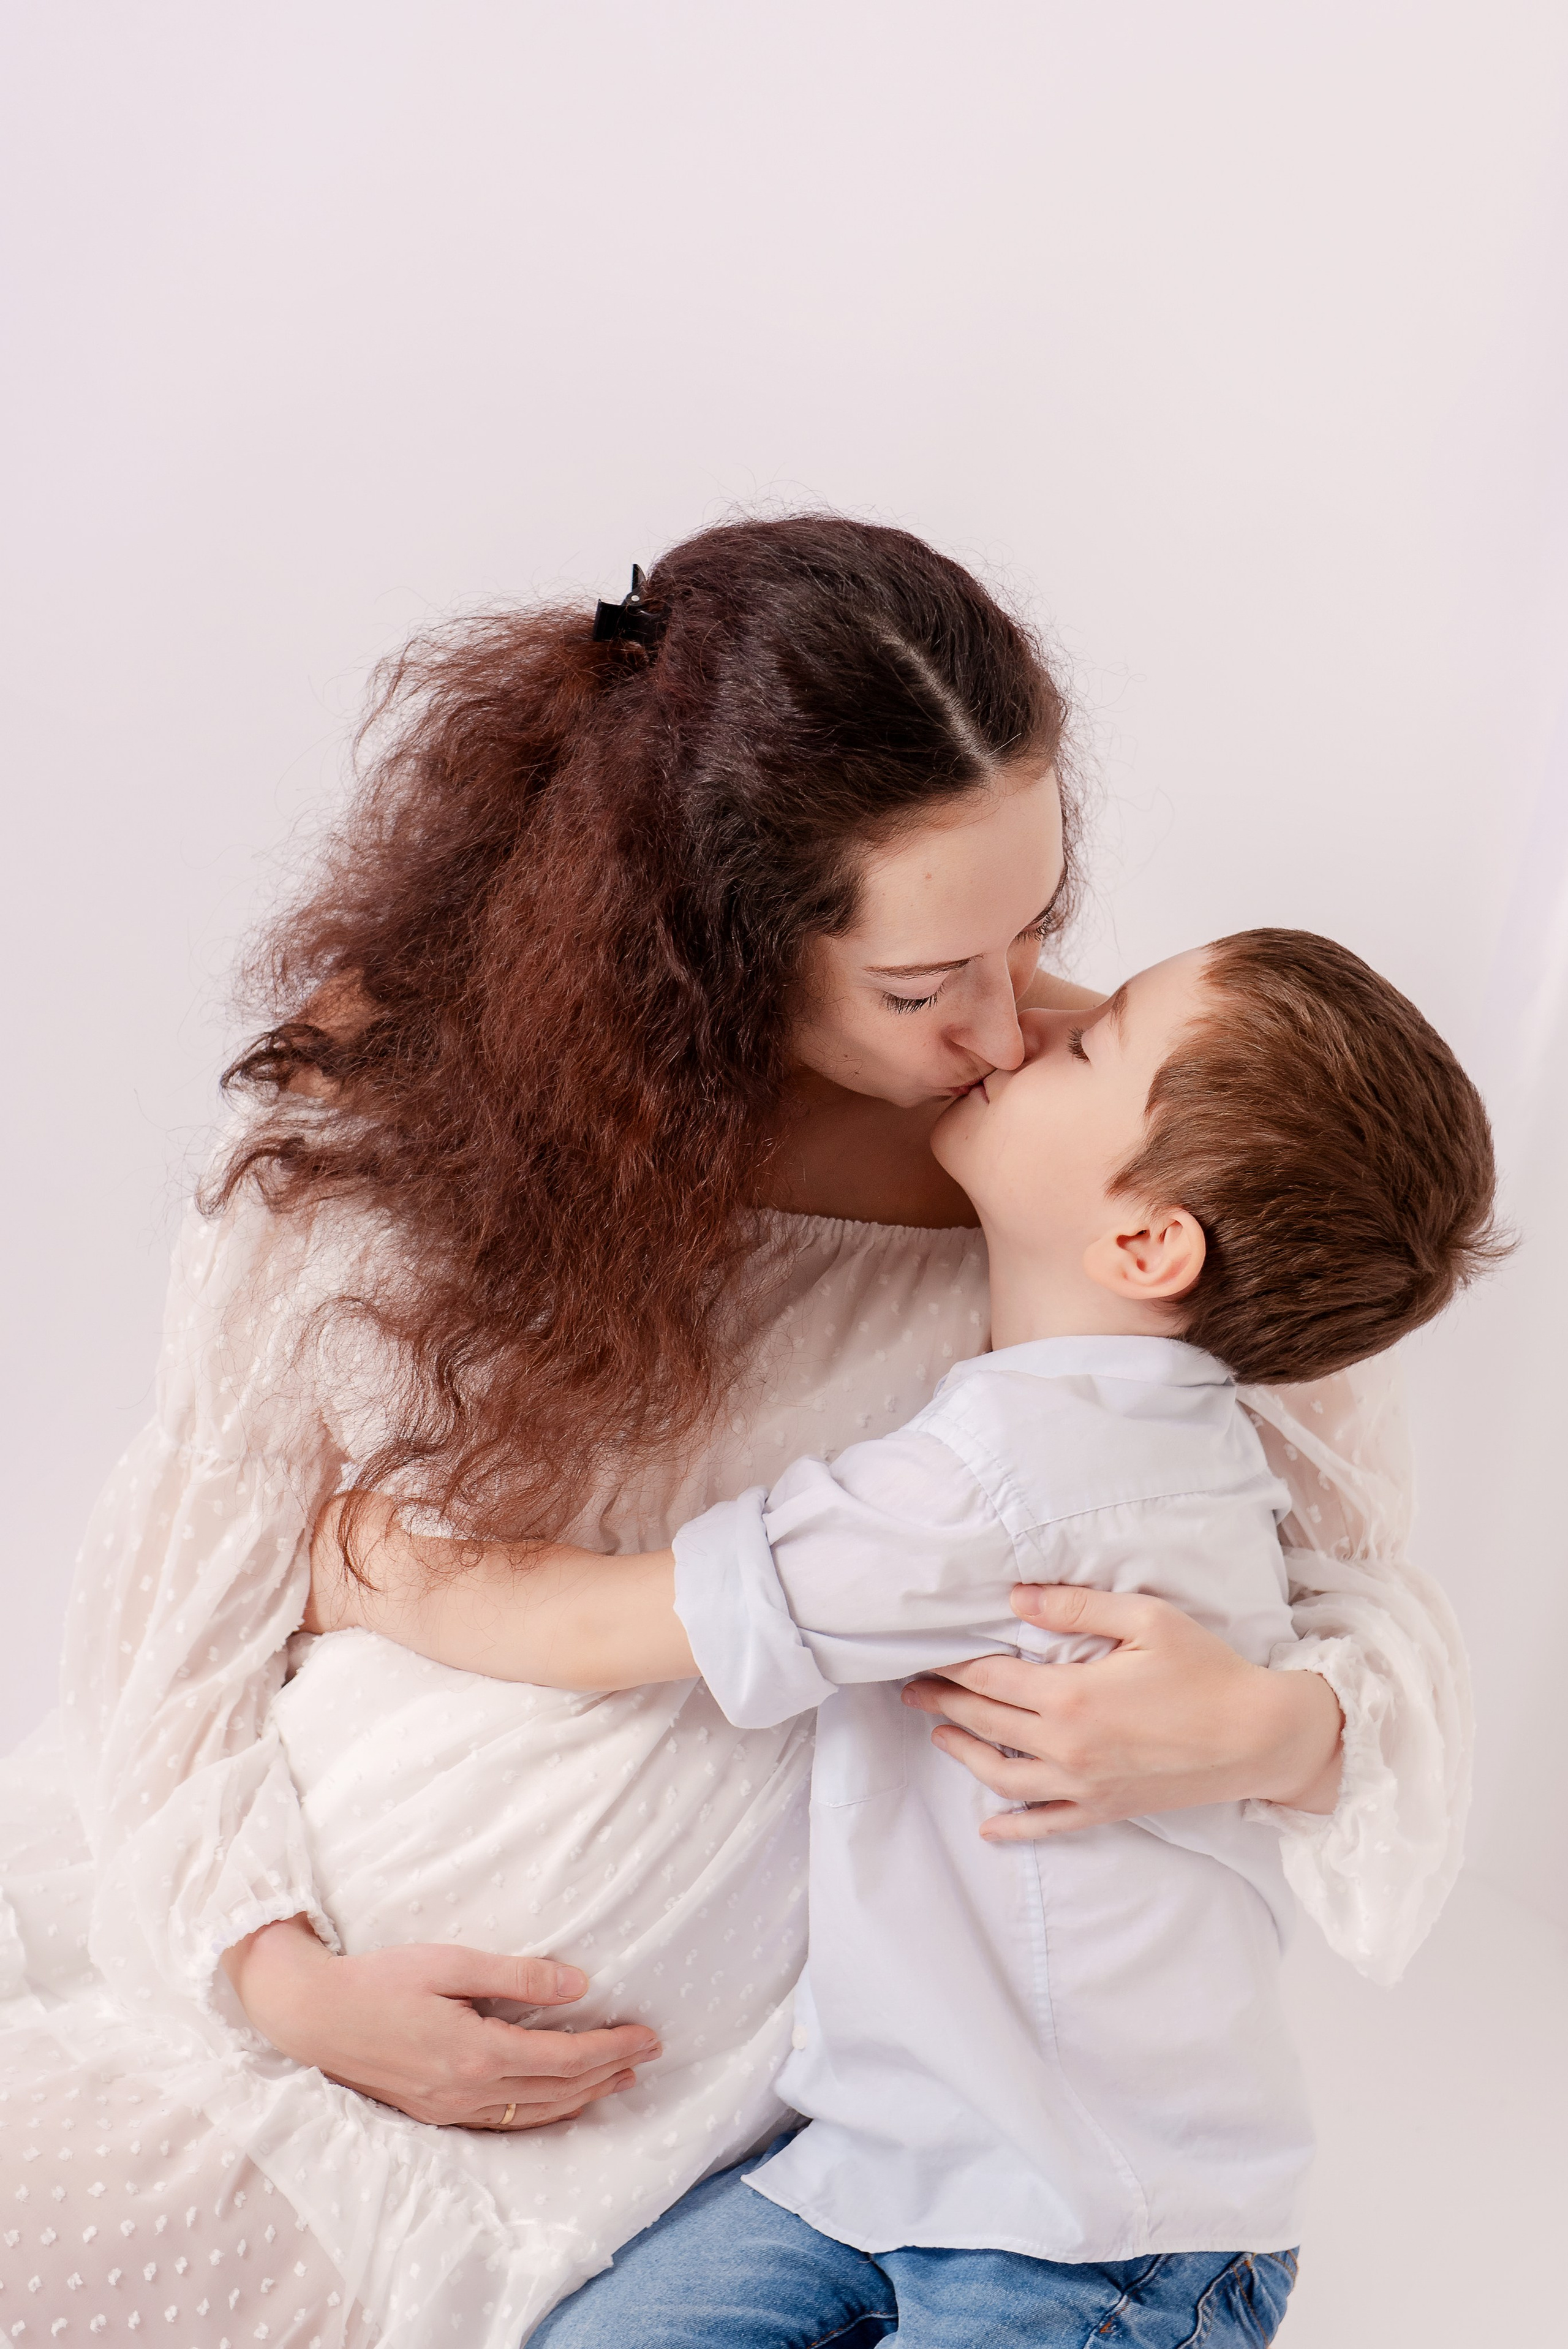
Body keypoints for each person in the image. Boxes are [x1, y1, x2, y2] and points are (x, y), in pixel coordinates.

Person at [0, 521, 1468, 2348]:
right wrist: (276, 1976)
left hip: (674, 2154)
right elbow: (188, 1585)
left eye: (1040, 924)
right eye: (930, 986)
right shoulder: (417, 1080)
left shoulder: (1141, 1176)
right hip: (254, 1984)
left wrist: (1272, 1727)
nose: (1013, 1029)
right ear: (704, 946)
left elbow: (1364, 1609)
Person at [317, 928, 1502, 2348]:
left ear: (1142, 1241)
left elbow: (612, 1625)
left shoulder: (1014, 1484)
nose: (1015, 1031)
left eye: (1083, 1039)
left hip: (1101, 2227)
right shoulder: (1142, 1438)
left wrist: (362, 1566)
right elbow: (1101, 1077)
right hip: (875, 2169)